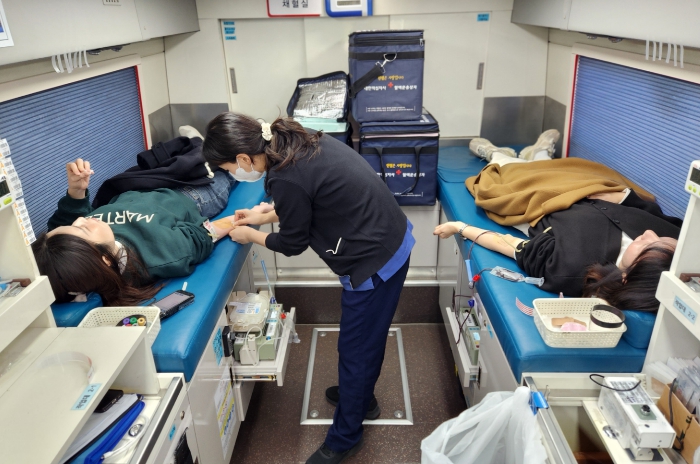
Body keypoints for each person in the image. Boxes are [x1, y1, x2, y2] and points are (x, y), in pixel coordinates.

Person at [202, 112, 414, 464]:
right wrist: (263, 216)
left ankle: (345, 438)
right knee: (365, 341)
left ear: (243, 158)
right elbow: (309, 198)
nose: (233, 173)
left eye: (229, 168)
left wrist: (250, 234)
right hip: (388, 237)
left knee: (357, 350)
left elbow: (292, 242)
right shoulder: (297, 139)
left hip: (376, 261)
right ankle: (362, 400)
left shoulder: (286, 177)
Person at [433, 136, 682, 312]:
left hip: (542, 202)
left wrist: (460, 227)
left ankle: (495, 154)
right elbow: (645, 207)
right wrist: (615, 195)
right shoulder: (674, 237)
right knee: (573, 168)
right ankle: (539, 154)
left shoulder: (570, 267)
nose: (650, 233)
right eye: (661, 239)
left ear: (626, 278)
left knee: (506, 176)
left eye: (647, 246)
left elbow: (509, 244)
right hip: (586, 188)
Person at [32, 157, 241, 306]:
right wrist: (240, 218)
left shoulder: (83, 249)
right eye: (83, 228)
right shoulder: (159, 254)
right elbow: (203, 235)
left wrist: (76, 190)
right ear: (105, 259)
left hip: (148, 181)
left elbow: (60, 237)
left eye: (73, 224)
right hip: (191, 194)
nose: (81, 219)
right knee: (231, 166)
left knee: (195, 151)